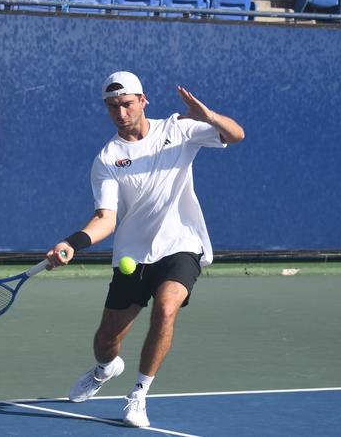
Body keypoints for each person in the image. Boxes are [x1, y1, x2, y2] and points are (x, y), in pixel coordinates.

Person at [46, 71, 245, 427]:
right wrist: (73, 243)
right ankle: (106, 369)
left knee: (167, 309)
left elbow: (237, 135)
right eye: (112, 108)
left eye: (126, 104)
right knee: (107, 340)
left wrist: (208, 115)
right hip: (133, 256)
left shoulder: (177, 130)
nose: (120, 113)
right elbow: (106, 218)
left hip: (181, 244)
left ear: (142, 100)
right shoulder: (107, 158)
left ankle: (138, 394)